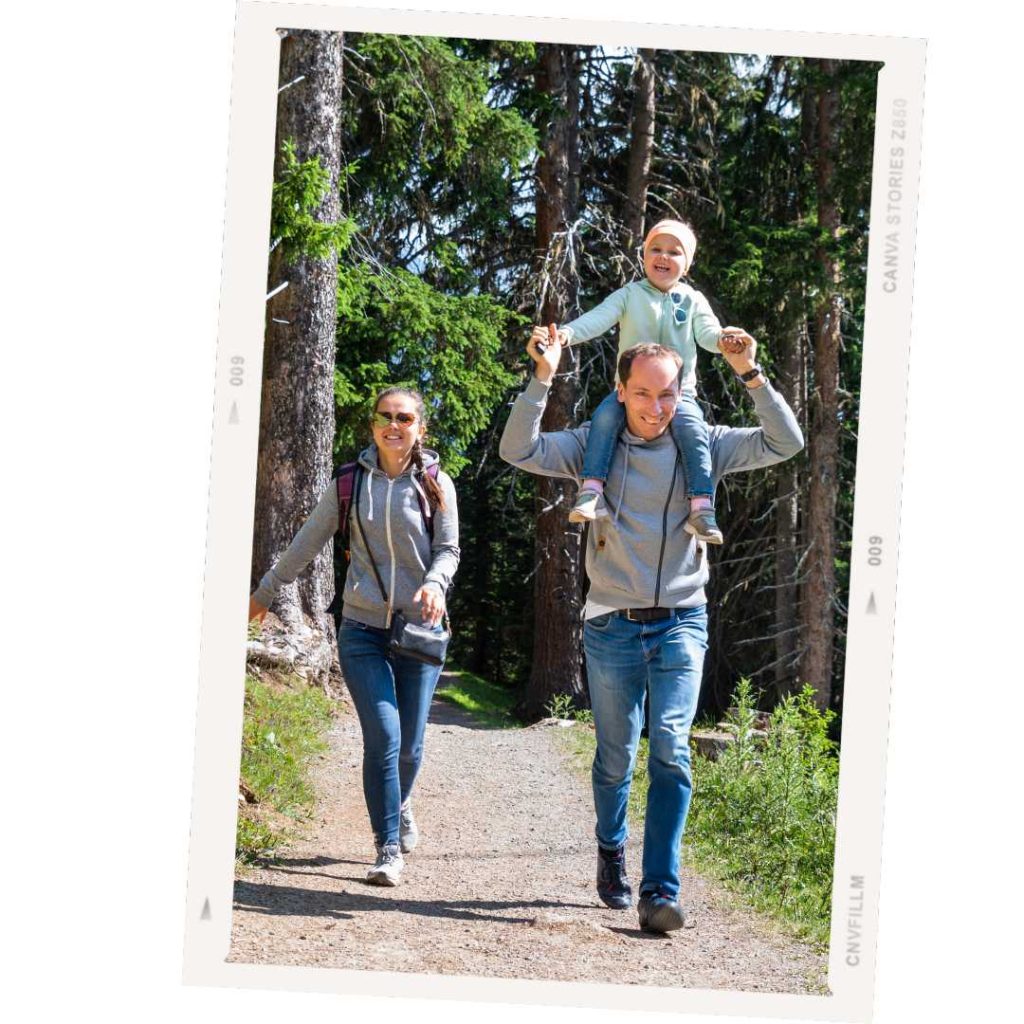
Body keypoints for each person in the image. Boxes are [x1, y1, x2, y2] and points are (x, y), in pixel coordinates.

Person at [499, 334, 802, 933]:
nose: (655, 406)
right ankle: (611, 849)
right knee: (615, 757)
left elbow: (784, 442)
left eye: (667, 394)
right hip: (611, 622)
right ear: (621, 390)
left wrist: (750, 373)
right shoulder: (595, 444)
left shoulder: (706, 445)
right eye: (643, 393)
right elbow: (519, 448)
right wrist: (542, 377)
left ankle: (659, 892)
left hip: (683, 618)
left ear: (681, 393)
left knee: (671, 746)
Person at [248, 387, 460, 887]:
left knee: (410, 746)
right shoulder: (349, 483)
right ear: (373, 425)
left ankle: (401, 803)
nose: (393, 425)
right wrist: (264, 593)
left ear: (419, 428)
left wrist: (434, 583)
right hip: (362, 628)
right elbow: (307, 541)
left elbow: (448, 548)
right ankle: (387, 847)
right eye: (384, 417)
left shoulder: (435, 483)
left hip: (420, 630)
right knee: (384, 738)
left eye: (404, 417)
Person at [533, 218, 749, 544]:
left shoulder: (692, 300)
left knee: (693, 430)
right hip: (630, 391)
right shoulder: (630, 295)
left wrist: (724, 340)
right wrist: (567, 334)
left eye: (674, 252)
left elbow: (708, 334)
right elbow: (599, 318)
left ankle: (701, 506)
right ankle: (591, 489)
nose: (663, 257)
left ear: (687, 264)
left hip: (679, 394)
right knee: (605, 418)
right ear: (644, 255)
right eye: (655, 249)